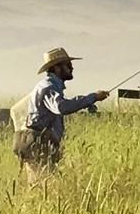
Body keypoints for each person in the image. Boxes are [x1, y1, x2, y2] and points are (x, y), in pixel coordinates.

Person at [14, 46, 102, 174]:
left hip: (40, 144)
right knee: (44, 182)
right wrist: (92, 97)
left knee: (44, 182)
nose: (72, 68)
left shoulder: (50, 86)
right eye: (68, 65)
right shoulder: (48, 87)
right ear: (57, 68)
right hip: (40, 145)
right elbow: (61, 107)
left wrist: (87, 102)